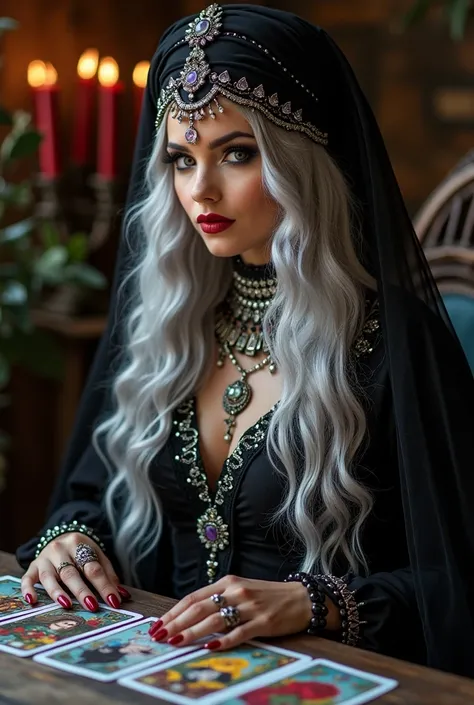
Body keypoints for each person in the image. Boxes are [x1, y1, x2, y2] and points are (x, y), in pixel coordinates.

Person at [15, 2, 474, 677]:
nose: (200, 189)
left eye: (236, 153)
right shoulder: (165, 325)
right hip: (150, 674)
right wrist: (73, 540)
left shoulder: (393, 346)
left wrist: (313, 603)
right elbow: (95, 491)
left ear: (301, 160)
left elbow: (455, 586)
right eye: (180, 158)